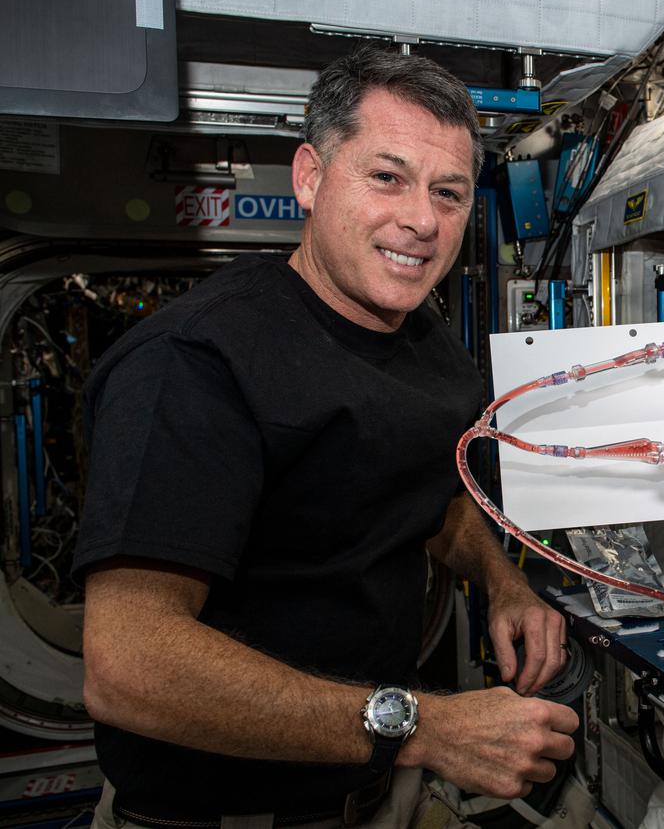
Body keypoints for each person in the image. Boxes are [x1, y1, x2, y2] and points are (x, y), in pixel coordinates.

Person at [72, 44, 578, 828]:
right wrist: (426, 727)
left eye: (447, 192)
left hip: (374, 794)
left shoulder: (426, 342)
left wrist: (502, 583)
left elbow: (425, 491)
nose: (422, 220)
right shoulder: (198, 361)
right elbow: (128, 664)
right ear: (310, 177)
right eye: (387, 177)